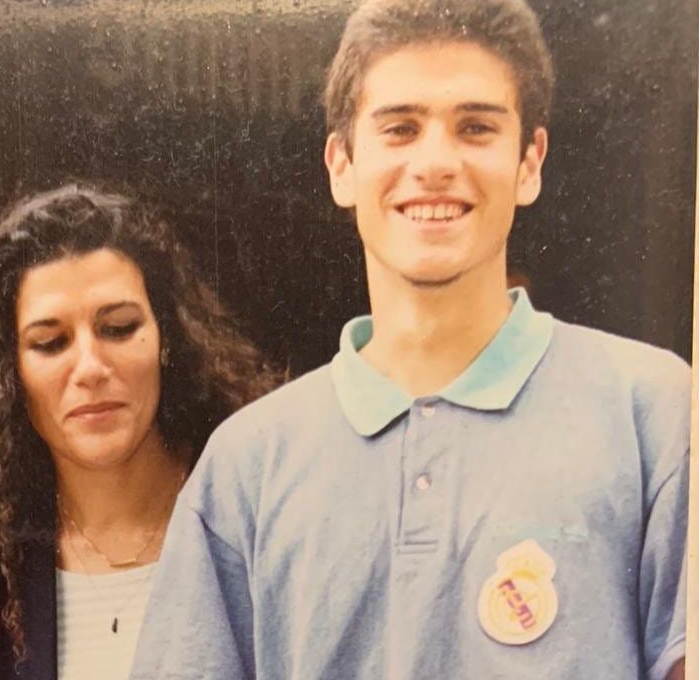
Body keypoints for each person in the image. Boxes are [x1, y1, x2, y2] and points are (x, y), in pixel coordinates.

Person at [130, 1, 688, 678]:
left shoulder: (654, 414)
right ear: (341, 164)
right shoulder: (247, 466)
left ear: (530, 162)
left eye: (476, 127)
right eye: (400, 128)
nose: (436, 162)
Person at [0, 184, 279, 680]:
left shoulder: (251, 506)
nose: (91, 367)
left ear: (167, 338)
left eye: (118, 328)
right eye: (50, 342)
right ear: (9, 372)